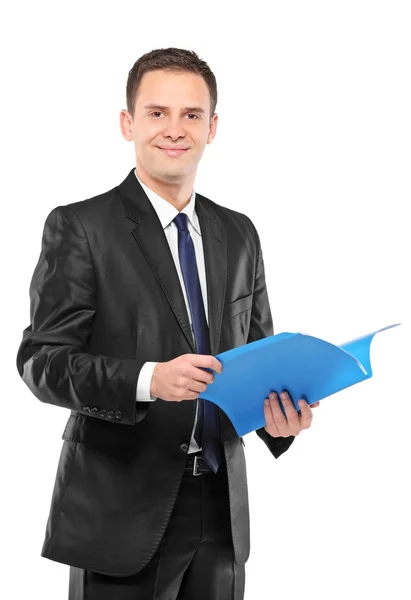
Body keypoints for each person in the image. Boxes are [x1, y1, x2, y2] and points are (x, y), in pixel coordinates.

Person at [16, 47, 319, 600]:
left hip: (221, 514)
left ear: (213, 127)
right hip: (119, 512)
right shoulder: (80, 227)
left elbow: (258, 355)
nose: (174, 130)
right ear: (128, 123)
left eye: (191, 115)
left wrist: (279, 420)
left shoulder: (239, 232)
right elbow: (42, 362)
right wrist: (147, 380)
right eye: (157, 113)